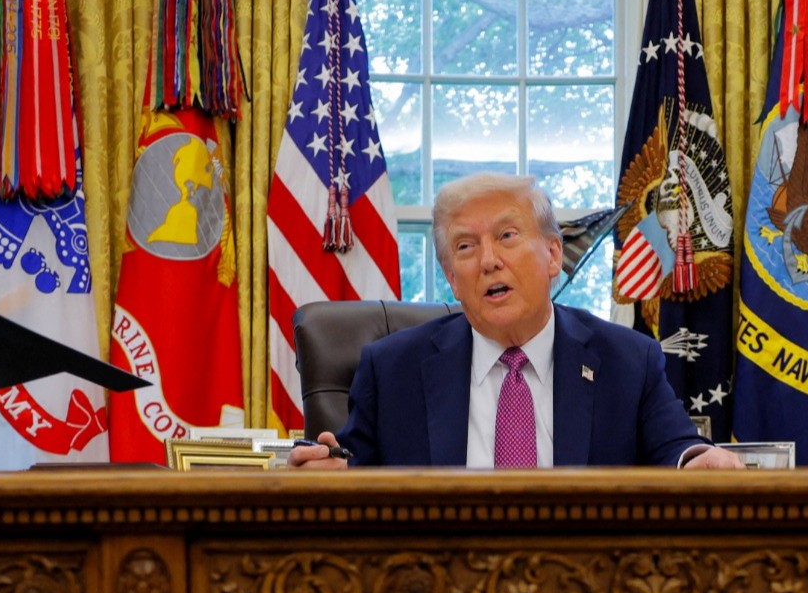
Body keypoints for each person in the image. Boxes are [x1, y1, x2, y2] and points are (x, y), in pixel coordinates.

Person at [291, 172, 743, 469]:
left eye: (507, 236)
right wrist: (331, 471)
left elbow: (675, 449)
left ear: (552, 255)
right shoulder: (393, 369)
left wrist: (699, 460)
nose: (488, 260)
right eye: (465, 247)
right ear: (452, 278)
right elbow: (352, 467)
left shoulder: (627, 359)